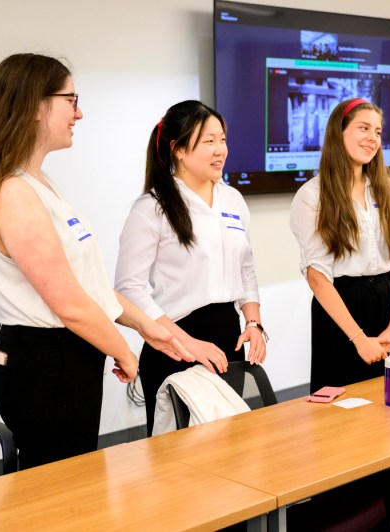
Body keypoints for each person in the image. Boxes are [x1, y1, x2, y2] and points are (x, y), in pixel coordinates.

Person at [0, 53, 193, 470]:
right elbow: (69, 304)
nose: (78, 113)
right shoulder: (12, 192)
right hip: (45, 362)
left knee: (76, 482)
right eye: (71, 99)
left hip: (64, 358)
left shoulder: (38, 183)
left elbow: (89, 288)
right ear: (34, 106)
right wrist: (124, 351)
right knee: (61, 492)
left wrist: (148, 328)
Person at [289, 98, 390, 530]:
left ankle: (385, 518)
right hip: (341, 314)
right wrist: (358, 338)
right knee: (343, 428)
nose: (372, 139)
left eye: (378, 132)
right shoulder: (313, 195)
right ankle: (345, 520)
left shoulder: (385, 188)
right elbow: (319, 277)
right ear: (338, 134)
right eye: (363, 128)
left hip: (385, 307)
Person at [115, 100, 267, 436]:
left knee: (232, 448)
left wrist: (254, 322)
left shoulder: (233, 201)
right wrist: (188, 344)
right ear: (179, 149)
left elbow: (246, 270)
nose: (220, 150)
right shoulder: (151, 208)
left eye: (223, 140)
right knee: (182, 464)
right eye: (208, 141)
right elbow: (128, 290)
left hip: (227, 341)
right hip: (174, 345)